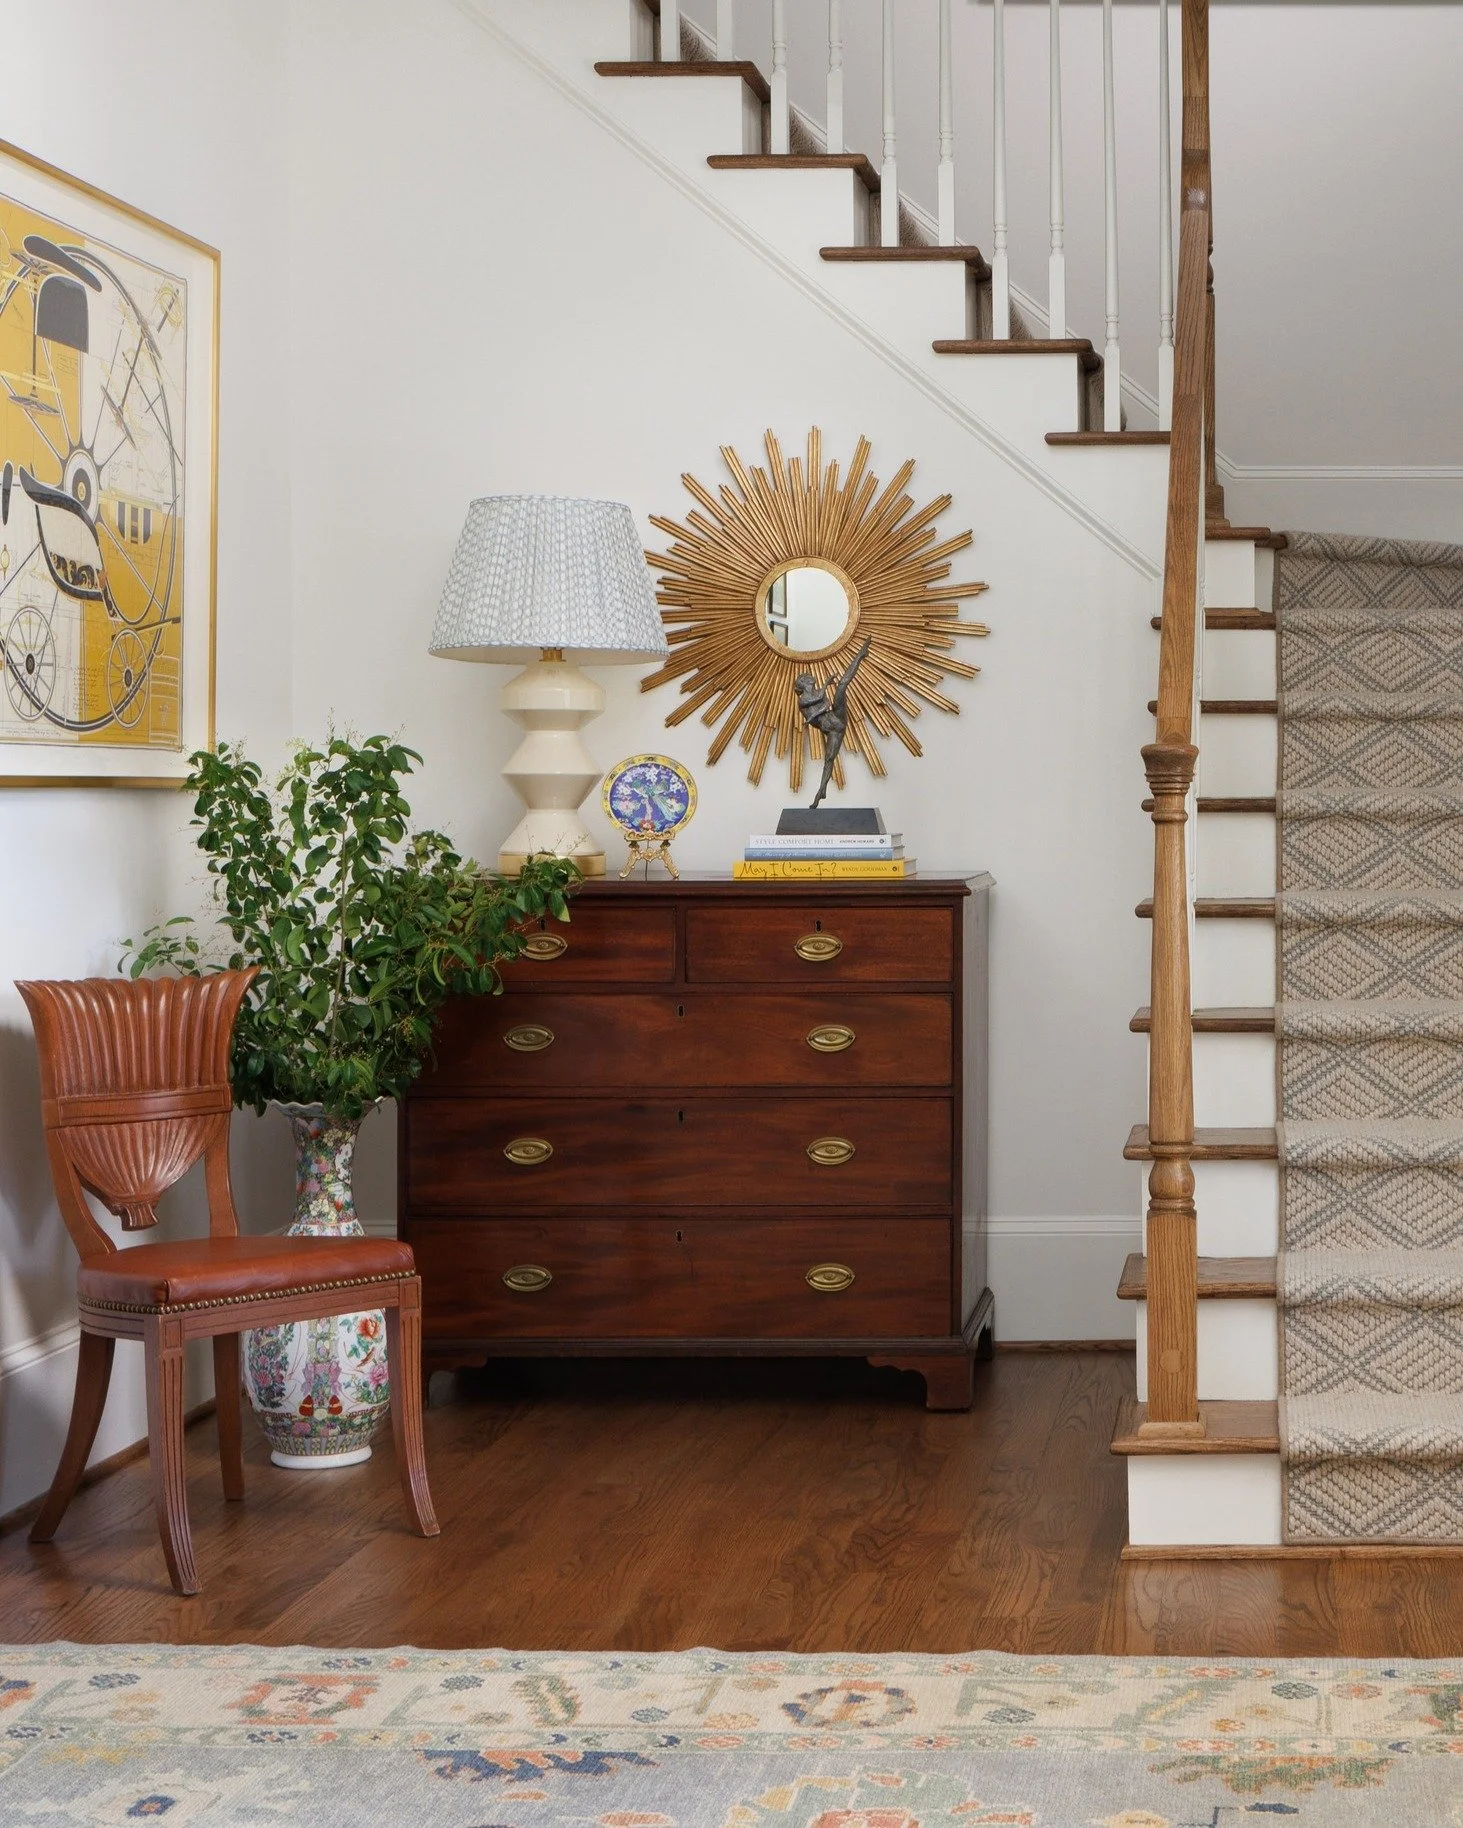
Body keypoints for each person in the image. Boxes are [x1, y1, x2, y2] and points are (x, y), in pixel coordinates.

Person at [793, 634, 873, 811]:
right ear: (803, 684)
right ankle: (820, 792)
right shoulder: (803, 699)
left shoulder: (815, 693)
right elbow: (820, 700)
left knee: (842, 685)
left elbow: (824, 703)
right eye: (806, 679)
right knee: (829, 759)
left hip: (837, 717)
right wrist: (826, 686)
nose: (810, 678)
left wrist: (826, 694)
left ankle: (860, 655)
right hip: (833, 730)